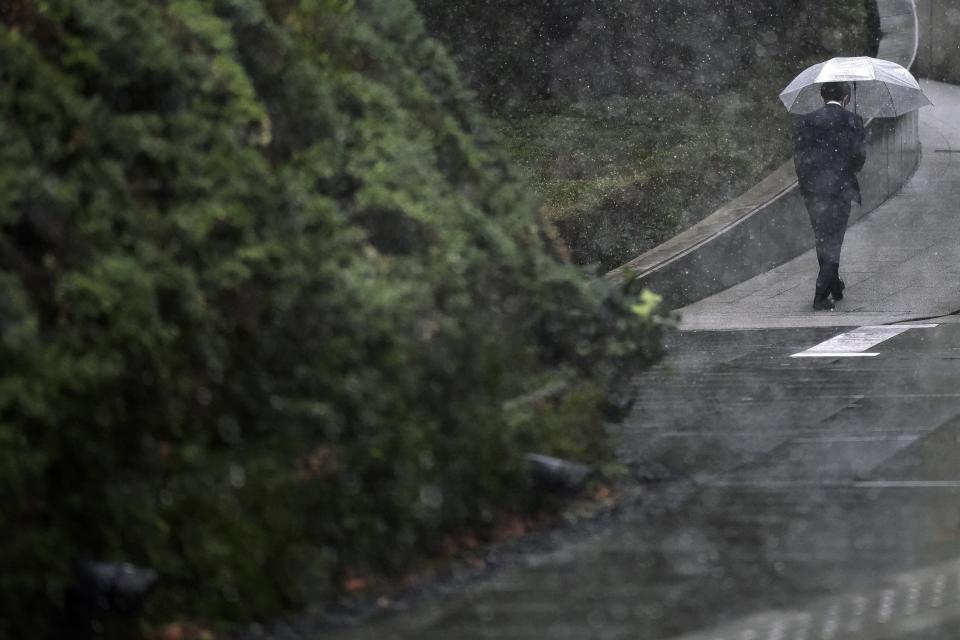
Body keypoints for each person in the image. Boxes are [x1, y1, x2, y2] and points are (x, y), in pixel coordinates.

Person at [793, 81, 867, 311]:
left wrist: (809, 183)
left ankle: (835, 285)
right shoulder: (854, 121)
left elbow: (799, 158)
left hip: (814, 191)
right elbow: (859, 157)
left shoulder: (806, 121)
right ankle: (820, 293)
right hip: (841, 190)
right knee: (834, 239)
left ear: (822, 96)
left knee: (822, 238)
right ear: (846, 97)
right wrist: (846, 173)